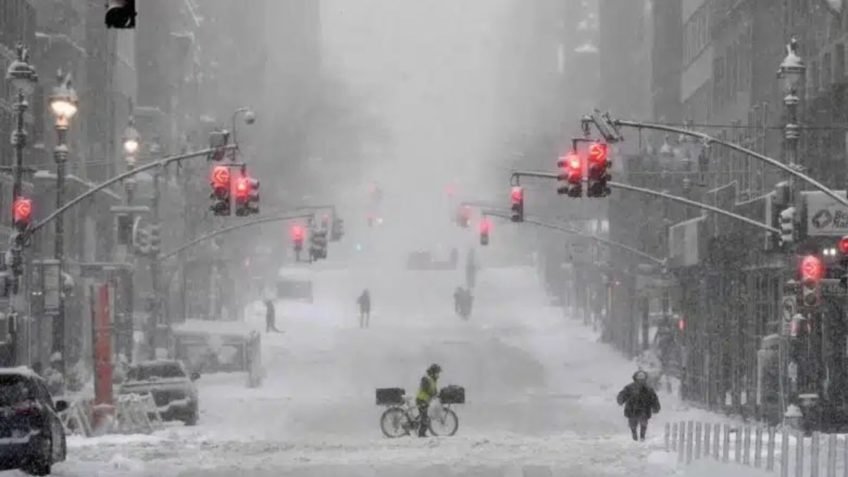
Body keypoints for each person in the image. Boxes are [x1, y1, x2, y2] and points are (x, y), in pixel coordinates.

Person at [616, 370, 661, 441]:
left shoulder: (648, 389)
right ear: (635, 379)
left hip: (644, 410)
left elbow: (654, 399)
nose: (640, 381)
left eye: (642, 379)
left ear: (645, 379)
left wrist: (656, 407)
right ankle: (634, 437)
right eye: (639, 379)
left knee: (643, 424)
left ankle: (642, 437)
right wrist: (620, 400)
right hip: (632, 410)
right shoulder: (629, 388)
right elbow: (623, 394)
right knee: (633, 425)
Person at [415, 363, 441, 437]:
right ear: (433, 372)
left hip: (425, 399)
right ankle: (421, 434)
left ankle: (420, 429)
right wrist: (432, 394)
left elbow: (434, 391)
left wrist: (438, 394)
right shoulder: (426, 378)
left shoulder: (433, 380)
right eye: (437, 373)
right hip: (421, 399)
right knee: (424, 417)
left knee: (424, 415)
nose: (438, 375)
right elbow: (426, 389)